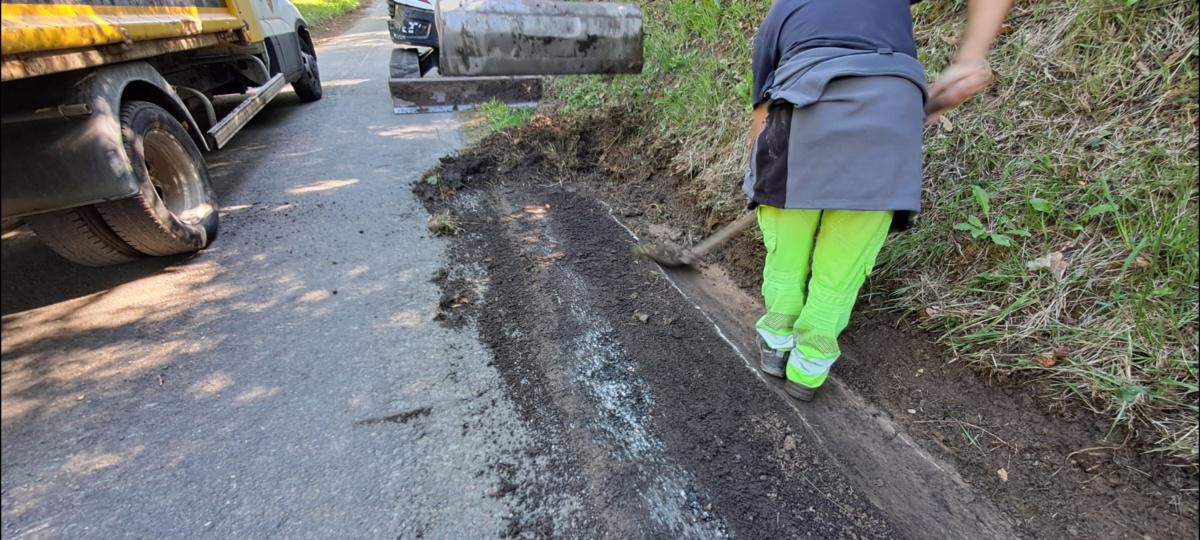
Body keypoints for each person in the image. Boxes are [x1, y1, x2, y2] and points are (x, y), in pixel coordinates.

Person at [745, 0, 1012, 401]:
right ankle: (809, 368)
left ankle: (777, 343)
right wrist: (971, 57)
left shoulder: (779, 16)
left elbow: (762, 115)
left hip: (802, 115)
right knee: (843, 267)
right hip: (891, 111)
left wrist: (759, 181)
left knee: (787, 252)